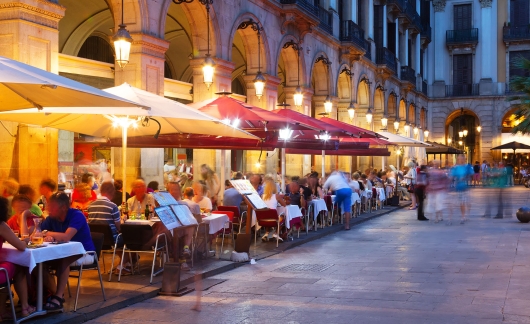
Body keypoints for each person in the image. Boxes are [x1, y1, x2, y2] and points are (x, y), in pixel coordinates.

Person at [41, 192, 96, 310]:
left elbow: (66, 237)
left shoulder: (77, 215)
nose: (49, 209)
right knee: (38, 264)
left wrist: (47, 233)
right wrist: (48, 236)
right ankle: (54, 293)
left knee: (64, 259)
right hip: (62, 253)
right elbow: (36, 231)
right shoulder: (52, 218)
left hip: (85, 253)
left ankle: (58, 296)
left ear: (64, 208)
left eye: (52, 207)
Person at [0, 196, 36, 318]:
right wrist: (25, 241)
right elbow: (20, 246)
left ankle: (3, 309)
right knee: (19, 268)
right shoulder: (2, 225)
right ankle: (25, 307)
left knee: (8, 265)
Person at [167, 182, 197, 271]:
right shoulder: (164, 203)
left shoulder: (183, 204)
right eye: (172, 190)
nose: (174, 192)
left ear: (180, 191)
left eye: (176, 189)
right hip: (167, 231)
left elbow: (188, 218)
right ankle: (184, 257)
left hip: (179, 230)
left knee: (190, 226)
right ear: (168, 191)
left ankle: (186, 249)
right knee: (184, 230)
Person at [450, 154, 474, 224]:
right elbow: (451, 176)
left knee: (467, 202)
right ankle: (463, 216)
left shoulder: (468, 166)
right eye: (458, 159)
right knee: (462, 202)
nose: (459, 160)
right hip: (459, 187)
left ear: (464, 159)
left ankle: (467, 215)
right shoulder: (455, 168)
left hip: (467, 187)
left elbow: (472, 174)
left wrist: (466, 175)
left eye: (460, 159)